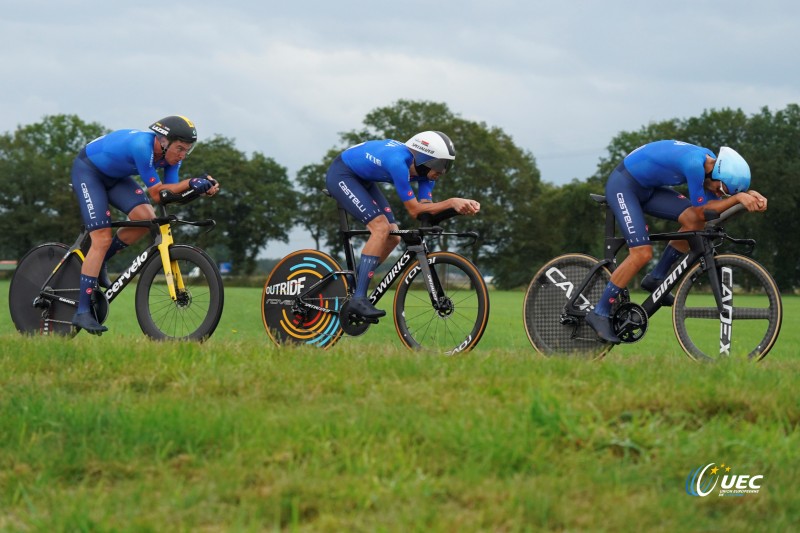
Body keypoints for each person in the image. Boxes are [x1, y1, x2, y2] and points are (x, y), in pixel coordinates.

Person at [585, 140, 768, 344]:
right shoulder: (693, 164)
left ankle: (656, 279)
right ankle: (599, 312)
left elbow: (707, 213)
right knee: (642, 253)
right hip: (624, 186)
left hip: (648, 189)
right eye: (722, 189)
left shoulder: (710, 165)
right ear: (716, 173)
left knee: (694, 222)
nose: (719, 194)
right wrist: (737, 199)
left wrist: (746, 196)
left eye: (724, 193)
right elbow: (704, 209)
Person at [70, 115, 220, 334]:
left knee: (147, 219)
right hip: (89, 171)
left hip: (115, 177)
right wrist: (190, 183)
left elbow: (169, 191)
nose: (182, 155)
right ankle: (82, 311)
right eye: (179, 148)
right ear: (163, 141)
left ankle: (101, 260)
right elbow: (158, 195)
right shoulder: (142, 146)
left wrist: (199, 188)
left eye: (187, 150)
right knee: (101, 239)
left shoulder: (173, 156)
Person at [325, 131, 481, 318]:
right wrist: (451, 202)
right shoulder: (398, 161)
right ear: (424, 158)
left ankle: (352, 283)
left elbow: (425, 209)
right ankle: (358, 299)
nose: (443, 171)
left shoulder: (427, 175)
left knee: (394, 236)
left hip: (363, 180)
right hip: (342, 174)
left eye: (448, 165)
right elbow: (414, 210)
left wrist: (457, 209)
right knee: (381, 228)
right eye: (441, 164)